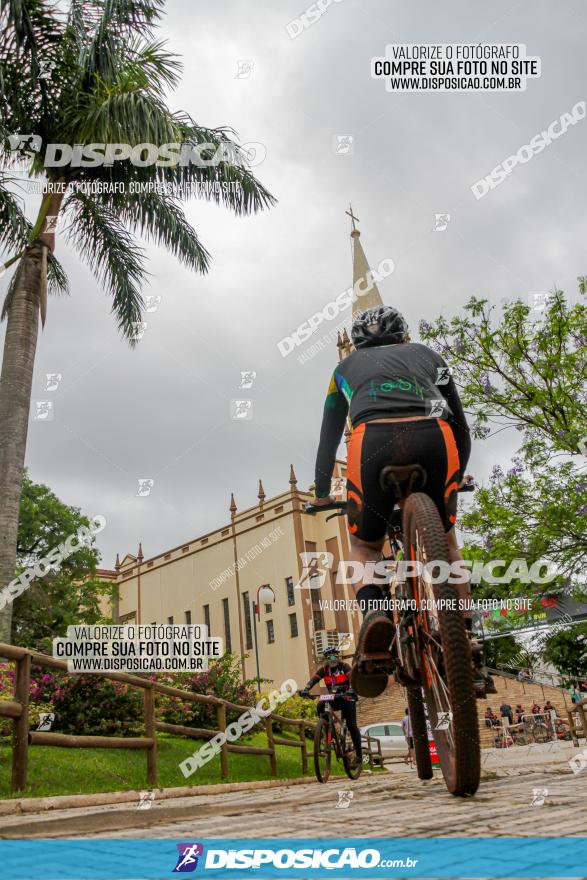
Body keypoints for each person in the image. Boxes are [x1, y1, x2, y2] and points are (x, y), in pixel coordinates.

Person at [308, 304, 495, 698]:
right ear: (404, 335)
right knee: (448, 543)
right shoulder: (430, 356)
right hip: (435, 440)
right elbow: (459, 422)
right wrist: (456, 476)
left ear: (356, 343)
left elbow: (328, 436)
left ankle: (376, 612)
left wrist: (322, 491)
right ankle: (464, 632)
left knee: (363, 547)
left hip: (370, 444)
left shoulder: (343, 370)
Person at [301, 649, 362, 763]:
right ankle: (326, 728)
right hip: (334, 698)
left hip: (347, 698)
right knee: (320, 705)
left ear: (338, 657)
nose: (332, 660)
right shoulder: (324, 670)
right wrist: (306, 689)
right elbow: (314, 679)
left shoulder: (344, 667)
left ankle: (359, 755)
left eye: (334, 657)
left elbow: (353, 679)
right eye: (329, 658)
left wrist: (352, 689)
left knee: (352, 726)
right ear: (326, 659)